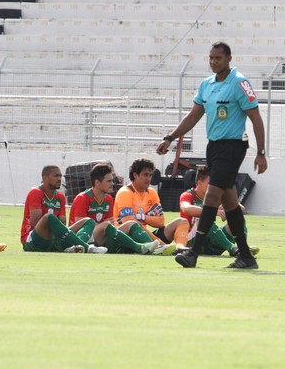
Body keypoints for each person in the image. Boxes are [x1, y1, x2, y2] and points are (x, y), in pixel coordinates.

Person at [157, 41, 267, 269]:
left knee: (211, 195)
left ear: (229, 59)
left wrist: (261, 152)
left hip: (233, 146)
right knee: (230, 202)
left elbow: (256, 118)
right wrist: (170, 138)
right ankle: (246, 256)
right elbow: (192, 117)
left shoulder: (239, 82)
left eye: (218, 58)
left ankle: (193, 253)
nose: (213, 62)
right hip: (214, 147)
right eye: (211, 58)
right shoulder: (206, 85)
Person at [69, 163, 162, 254]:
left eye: (112, 180)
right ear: (97, 182)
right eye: (109, 181)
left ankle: (151, 247)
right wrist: (102, 225)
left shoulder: (108, 199)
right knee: (106, 225)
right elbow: (82, 225)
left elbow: (111, 223)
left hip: (101, 237)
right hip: (82, 238)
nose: (113, 183)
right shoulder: (82, 198)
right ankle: (139, 247)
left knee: (131, 224)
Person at [178, 166, 259, 257]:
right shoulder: (188, 195)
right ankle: (231, 247)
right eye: (210, 183)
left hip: (209, 242)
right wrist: (213, 211)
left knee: (237, 218)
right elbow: (186, 208)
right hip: (191, 241)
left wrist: (229, 204)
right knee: (205, 220)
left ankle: (243, 248)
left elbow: (243, 210)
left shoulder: (215, 195)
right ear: (199, 183)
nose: (213, 186)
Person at [21, 165, 105, 253]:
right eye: (56, 176)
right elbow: (35, 223)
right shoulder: (35, 192)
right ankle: (87, 248)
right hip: (32, 240)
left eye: (60, 176)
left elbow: (62, 224)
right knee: (49, 217)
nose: (59, 179)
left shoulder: (60, 196)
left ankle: (76, 248)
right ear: (45, 178)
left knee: (89, 221)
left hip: (54, 239)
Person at [113, 158, 184, 255]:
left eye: (150, 175)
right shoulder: (125, 193)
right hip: (127, 237)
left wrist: (141, 217)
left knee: (181, 221)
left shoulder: (152, 193)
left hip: (145, 235)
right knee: (134, 224)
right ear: (135, 175)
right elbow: (128, 223)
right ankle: (160, 247)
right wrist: (159, 242)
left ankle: (180, 248)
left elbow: (160, 222)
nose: (149, 178)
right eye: (145, 175)